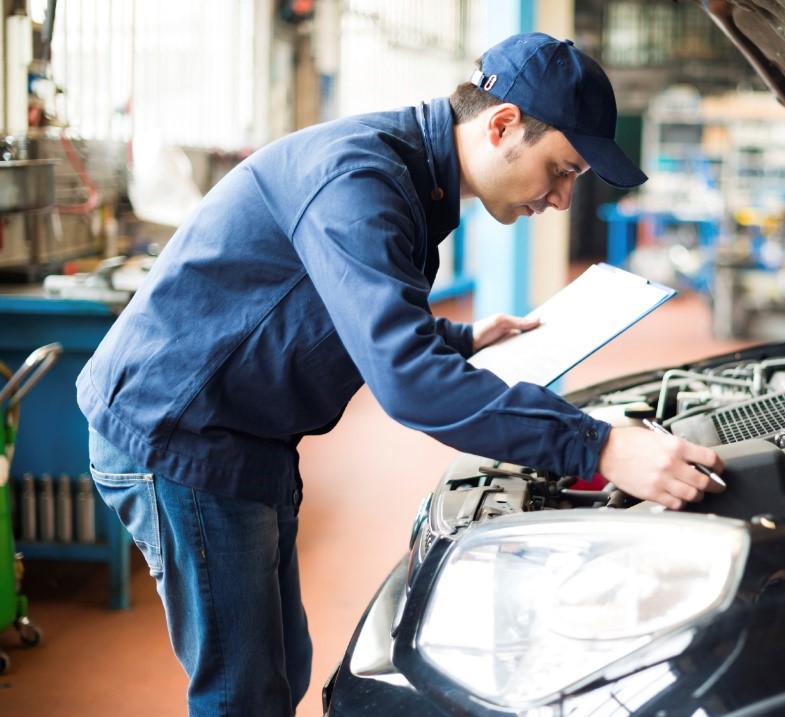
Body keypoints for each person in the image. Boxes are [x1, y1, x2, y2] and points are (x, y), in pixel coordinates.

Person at [77, 32, 724, 716]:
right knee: (243, 694)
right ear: (501, 124)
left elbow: (333, 304)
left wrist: (460, 336)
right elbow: (408, 382)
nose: (562, 199)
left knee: (282, 668)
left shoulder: (416, 180)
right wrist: (601, 446)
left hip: (244, 431)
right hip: (179, 433)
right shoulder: (360, 179)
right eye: (561, 170)